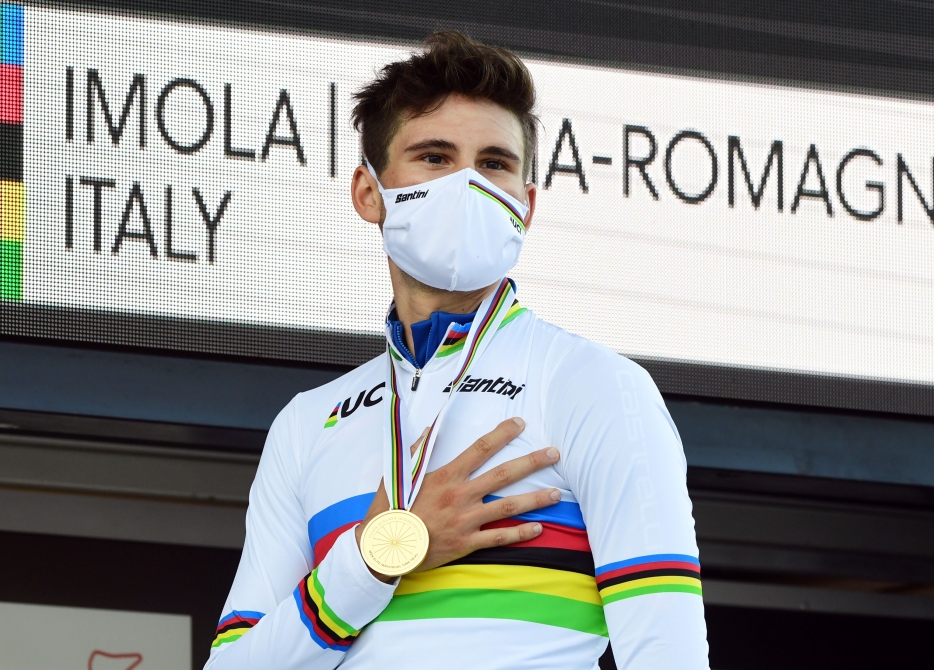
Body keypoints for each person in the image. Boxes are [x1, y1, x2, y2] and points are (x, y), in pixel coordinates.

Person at [206, 31, 708, 670]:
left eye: (495, 162)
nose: (467, 183)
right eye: (435, 157)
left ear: (525, 205)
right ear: (370, 194)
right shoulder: (308, 423)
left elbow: (668, 653)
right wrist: (378, 556)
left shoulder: (595, 385)